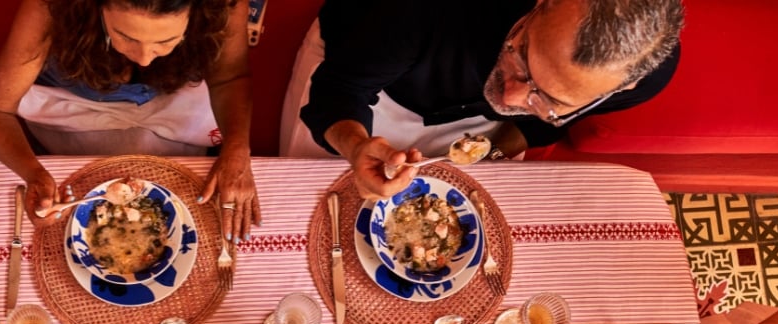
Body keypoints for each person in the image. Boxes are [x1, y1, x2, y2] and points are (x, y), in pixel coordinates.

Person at [280, 0, 683, 198]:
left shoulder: (644, 78)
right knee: (313, 204)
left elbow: (528, 127)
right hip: (368, 78)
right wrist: (354, 145)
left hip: (477, 129)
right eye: (521, 52)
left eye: (547, 98)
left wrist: (489, 153)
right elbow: (339, 89)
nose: (510, 94)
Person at [0, 0, 259, 240]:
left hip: (176, 105)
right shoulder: (51, 5)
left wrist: (236, 148)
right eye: (126, 37)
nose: (144, 59)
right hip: (73, 109)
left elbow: (229, 77)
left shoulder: (224, 3)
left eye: (167, 41)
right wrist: (34, 173)